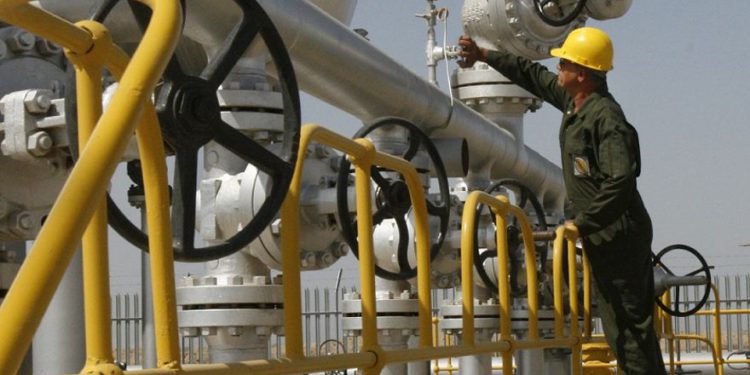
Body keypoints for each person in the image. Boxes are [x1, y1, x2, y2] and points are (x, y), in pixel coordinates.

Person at [458, 27, 666, 375]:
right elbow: (534, 75)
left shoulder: (606, 119)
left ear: (582, 74)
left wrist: (581, 225)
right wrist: (485, 56)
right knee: (622, 331)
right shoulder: (577, 103)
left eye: (565, 64)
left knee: (630, 332)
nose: (559, 69)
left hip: (619, 237)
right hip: (604, 235)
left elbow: (621, 183)